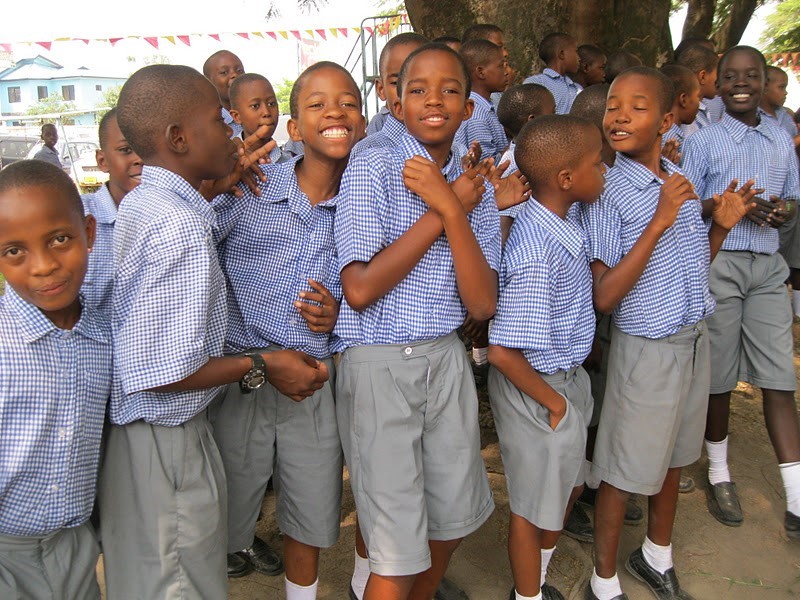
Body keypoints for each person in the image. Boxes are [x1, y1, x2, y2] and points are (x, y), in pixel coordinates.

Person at [98, 64, 329, 599]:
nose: (232, 131)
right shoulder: (178, 227)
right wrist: (265, 364)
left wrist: (214, 186)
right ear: (178, 139)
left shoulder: (150, 203)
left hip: (158, 438)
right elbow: (161, 371)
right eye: (217, 121)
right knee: (183, 583)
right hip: (165, 441)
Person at [582, 66, 755, 600]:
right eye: (613, 105)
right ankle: (603, 579)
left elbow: (689, 271)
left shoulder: (671, 185)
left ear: (667, 119)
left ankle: (657, 555)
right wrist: (658, 222)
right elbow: (604, 296)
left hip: (691, 338)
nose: (619, 116)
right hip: (647, 352)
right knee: (622, 467)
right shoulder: (607, 192)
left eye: (636, 106)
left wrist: (721, 228)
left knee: (678, 456)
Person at [334, 43, 499, 600]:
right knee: (397, 550)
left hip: (445, 357)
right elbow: (358, 289)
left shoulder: (471, 179)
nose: (435, 100)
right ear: (396, 103)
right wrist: (445, 208)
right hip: (382, 364)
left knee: (452, 519)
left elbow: (481, 305)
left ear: (469, 106)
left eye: (450, 89)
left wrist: (454, 207)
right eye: (419, 90)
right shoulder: (374, 162)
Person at [214, 61, 365, 600]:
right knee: (225, 512)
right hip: (243, 377)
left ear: (363, 123)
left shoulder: (364, 203)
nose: (336, 112)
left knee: (309, 509)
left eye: (349, 102)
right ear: (294, 129)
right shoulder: (252, 185)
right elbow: (197, 248)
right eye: (318, 104)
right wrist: (217, 182)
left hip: (312, 382)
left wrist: (340, 314)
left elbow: (388, 287)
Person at [681, 46, 800, 539]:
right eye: (731, 76)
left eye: (751, 75)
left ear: (763, 79)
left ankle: (796, 497)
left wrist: (782, 211)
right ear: (719, 83)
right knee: (720, 376)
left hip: (768, 266)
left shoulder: (779, 134)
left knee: (779, 379)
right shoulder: (705, 141)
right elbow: (684, 205)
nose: (742, 83)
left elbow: (792, 197)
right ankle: (719, 471)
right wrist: (726, 206)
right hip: (723, 262)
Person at [488, 114, 606, 600]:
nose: (606, 172)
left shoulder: (563, 219)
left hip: (564, 378)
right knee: (531, 508)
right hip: (535, 387)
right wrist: (556, 408)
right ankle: (527, 594)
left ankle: (535, 578)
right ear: (565, 179)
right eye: (598, 164)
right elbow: (503, 351)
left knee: (566, 487)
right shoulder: (538, 253)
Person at [0, 159, 110, 600]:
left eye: (59, 239)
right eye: (15, 251)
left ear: (89, 232)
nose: (43, 266)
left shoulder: (104, 336)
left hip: (75, 547)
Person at [564, 84, 645, 544]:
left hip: (603, 311)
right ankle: (578, 492)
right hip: (581, 319)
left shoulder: (610, 179)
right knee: (587, 407)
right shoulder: (583, 180)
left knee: (600, 401)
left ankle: (591, 482)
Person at [80, 107, 142, 315]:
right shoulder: (79, 217)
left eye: (147, 148)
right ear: (102, 161)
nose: (139, 159)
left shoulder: (172, 217)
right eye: (126, 150)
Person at [495, 83, 555, 239]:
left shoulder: (534, 156)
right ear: (532, 120)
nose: (557, 119)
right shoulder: (513, 162)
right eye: (553, 112)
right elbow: (504, 223)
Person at [455, 39, 510, 163]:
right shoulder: (476, 114)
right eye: (501, 66)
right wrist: (516, 148)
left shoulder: (487, 105)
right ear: (481, 72)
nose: (506, 72)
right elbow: (486, 166)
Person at [365, 32, 428, 138]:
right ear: (381, 89)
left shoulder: (456, 147)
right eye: (396, 83)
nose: (408, 94)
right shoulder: (367, 149)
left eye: (421, 84)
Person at [229, 72, 291, 164]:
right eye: (255, 106)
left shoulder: (289, 163)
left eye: (271, 104)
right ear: (237, 116)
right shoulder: (225, 160)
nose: (266, 112)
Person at [524, 33, 582, 114]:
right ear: (561, 54)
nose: (579, 58)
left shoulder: (576, 88)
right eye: (576, 52)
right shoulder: (536, 83)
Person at [675, 42, 720, 137]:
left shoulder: (701, 110)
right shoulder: (687, 118)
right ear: (702, 76)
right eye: (717, 74)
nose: (720, 79)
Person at [659, 64, 702, 165]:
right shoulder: (670, 141)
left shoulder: (661, 133)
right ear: (683, 100)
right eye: (698, 97)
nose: (699, 104)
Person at [203, 49, 245, 138]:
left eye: (240, 70)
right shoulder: (209, 126)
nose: (235, 75)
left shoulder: (256, 113)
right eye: (224, 72)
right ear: (207, 82)